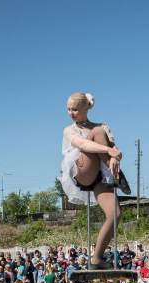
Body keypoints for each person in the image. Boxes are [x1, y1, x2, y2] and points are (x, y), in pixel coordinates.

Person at [59, 91, 130, 270]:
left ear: (85, 108)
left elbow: (114, 148)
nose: (70, 113)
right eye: (68, 109)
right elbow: (83, 145)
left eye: (74, 109)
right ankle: (118, 176)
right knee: (97, 133)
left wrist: (115, 156)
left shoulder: (102, 126)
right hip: (82, 170)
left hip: (101, 176)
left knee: (115, 214)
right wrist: (110, 153)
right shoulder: (69, 130)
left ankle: (97, 258)